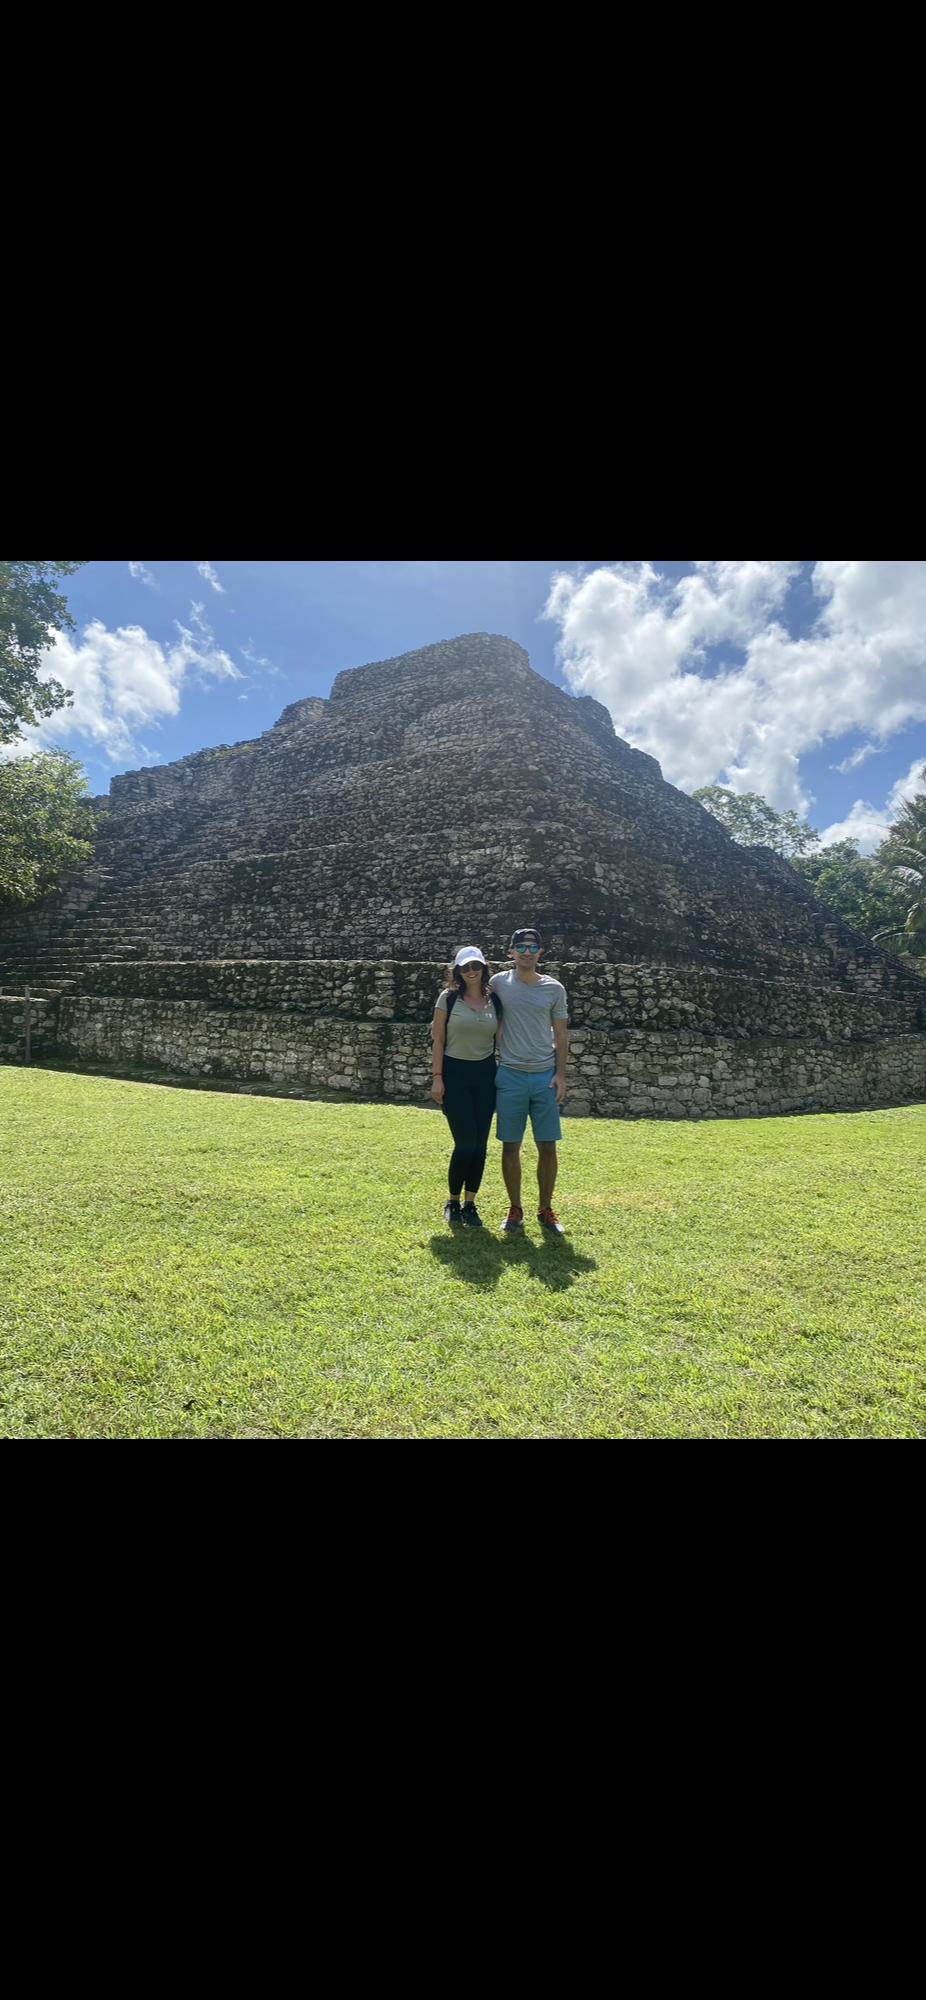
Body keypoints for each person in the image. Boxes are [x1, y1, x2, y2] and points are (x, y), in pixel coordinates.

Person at [489, 926, 568, 1235]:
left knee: (547, 1146)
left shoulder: (553, 988)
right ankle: (515, 1208)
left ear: (540, 953)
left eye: (532, 948)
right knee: (511, 1146)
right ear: (510, 952)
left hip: (544, 1076)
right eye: (520, 946)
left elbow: (560, 1034)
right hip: (510, 1073)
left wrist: (561, 1073)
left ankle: (546, 1208)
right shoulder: (498, 983)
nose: (526, 952)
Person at [431, 947, 502, 1228]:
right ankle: (453, 1201)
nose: (471, 971)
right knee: (465, 1143)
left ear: (484, 967)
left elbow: (502, 1038)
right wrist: (438, 1077)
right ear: (457, 971)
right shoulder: (448, 999)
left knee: (481, 1145)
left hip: (485, 1074)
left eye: (475, 966)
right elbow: (438, 1040)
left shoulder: (494, 1000)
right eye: (464, 967)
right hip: (455, 1073)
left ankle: (471, 1203)